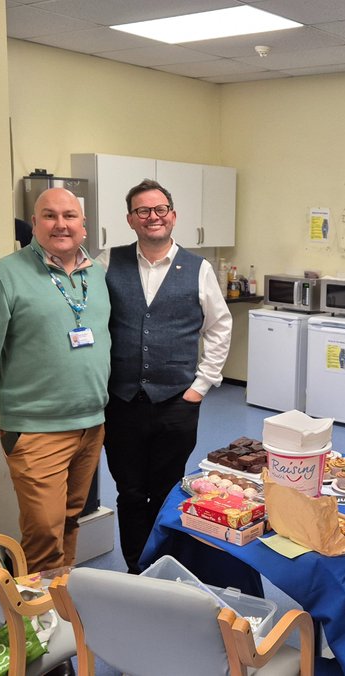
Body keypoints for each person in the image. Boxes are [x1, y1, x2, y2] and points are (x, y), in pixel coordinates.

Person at [0, 187, 111, 574]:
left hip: (91, 426)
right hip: (36, 430)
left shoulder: (96, 273)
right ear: (35, 223)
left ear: (84, 226)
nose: (61, 224)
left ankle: (64, 602)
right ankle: (38, 620)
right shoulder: (5, 276)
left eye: (69, 216)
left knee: (72, 519)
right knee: (43, 531)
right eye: (49, 215)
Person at [98, 179, 231, 574]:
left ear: (172, 216)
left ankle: (165, 567)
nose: (152, 217)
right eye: (143, 211)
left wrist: (201, 385)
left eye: (159, 210)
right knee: (129, 491)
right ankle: (136, 568)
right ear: (130, 219)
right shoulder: (109, 262)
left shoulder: (198, 268)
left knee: (167, 490)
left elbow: (220, 327)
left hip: (176, 402)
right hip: (121, 402)